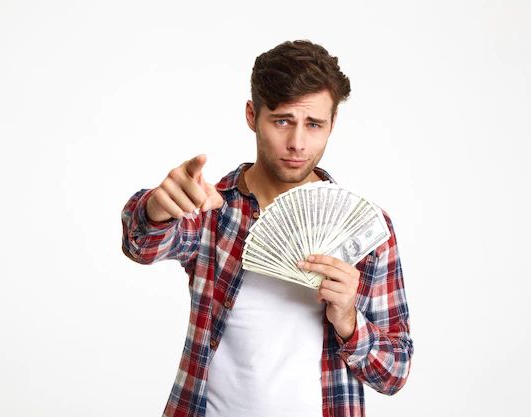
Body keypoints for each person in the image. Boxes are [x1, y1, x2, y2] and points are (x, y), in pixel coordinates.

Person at [121, 39, 413, 417]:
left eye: (313, 124)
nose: (297, 143)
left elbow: (394, 373)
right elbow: (139, 244)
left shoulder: (367, 231)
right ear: (251, 115)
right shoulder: (213, 208)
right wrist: (157, 208)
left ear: (332, 124)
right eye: (282, 121)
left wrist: (349, 321)